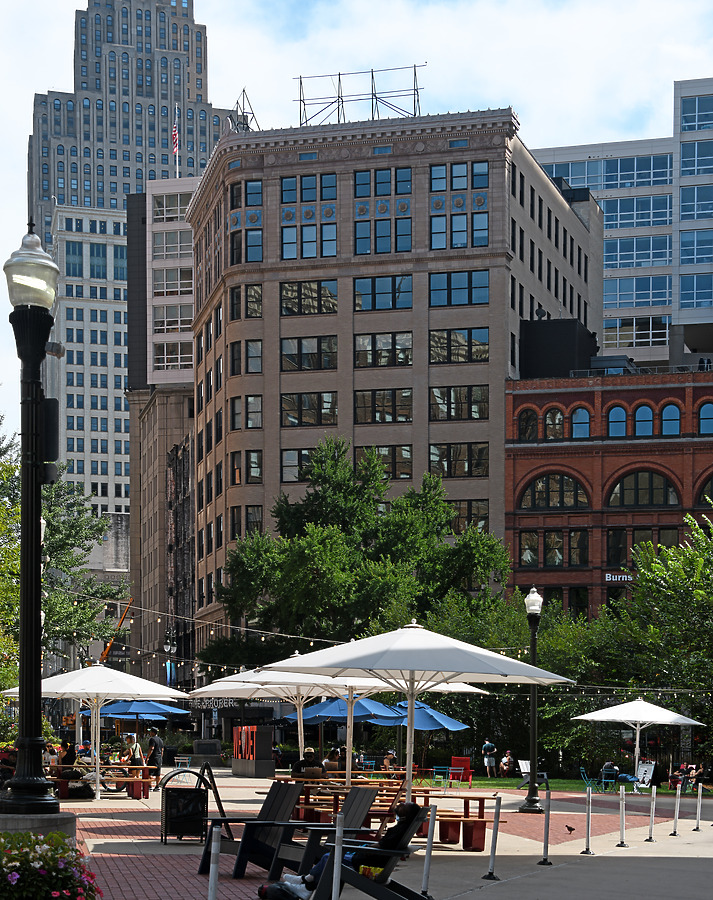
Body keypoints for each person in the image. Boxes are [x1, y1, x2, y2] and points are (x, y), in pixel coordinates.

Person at [276, 802, 422, 899]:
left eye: (404, 806)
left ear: (405, 815)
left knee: (329, 857)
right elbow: (383, 845)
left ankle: (306, 885)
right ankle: (306, 881)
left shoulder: (398, 830)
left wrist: (364, 848)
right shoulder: (401, 828)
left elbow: (382, 846)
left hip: (367, 865)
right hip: (371, 860)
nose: (400, 804)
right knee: (332, 856)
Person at [146, 726, 164, 791]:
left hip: (153, 758)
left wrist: (147, 757)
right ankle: (157, 786)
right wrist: (161, 758)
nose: (149, 733)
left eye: (150, 732)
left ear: (153, 732)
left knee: (150, 772)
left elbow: (151, 748)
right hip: (159, 758)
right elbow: (162, 750)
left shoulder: (152, 739)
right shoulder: (160, 740)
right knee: (157, 773)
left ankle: (150, 786)